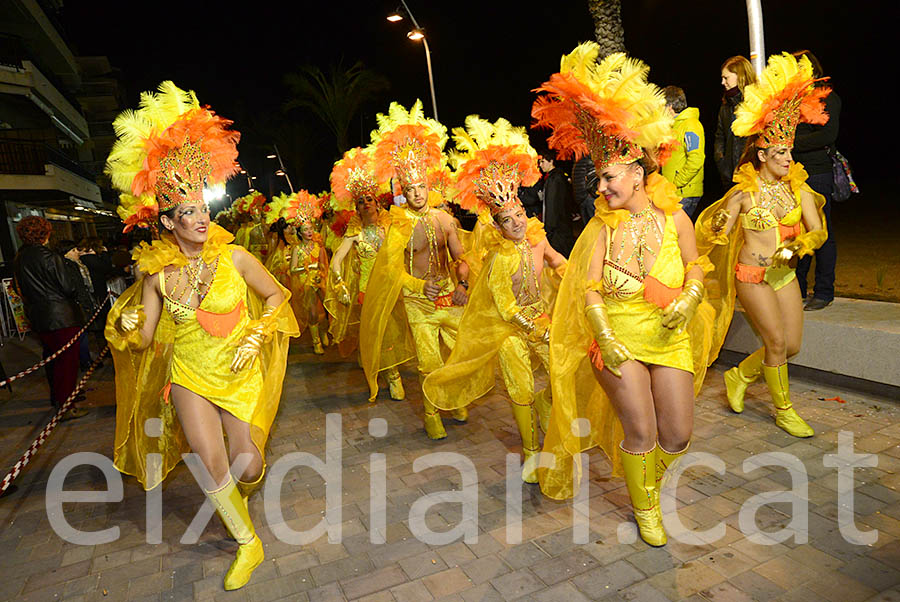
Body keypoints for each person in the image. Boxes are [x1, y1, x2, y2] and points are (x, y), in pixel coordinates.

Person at [104, 81, 298, 591]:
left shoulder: (237, 258)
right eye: (187, 211)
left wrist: (257, 333)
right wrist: (127, 329)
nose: (200, 215)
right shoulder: (156, 277)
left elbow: (279, 298)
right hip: (189, 374)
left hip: (238, 369)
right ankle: (247, 543)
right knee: (210, 462)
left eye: (202, 205)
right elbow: (146, 339)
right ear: (167, 221)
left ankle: (245, 488)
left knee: (246, 461)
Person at [532, 44, 716, 546]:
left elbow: (697, 265)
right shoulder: (601, 225)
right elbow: (588, 287)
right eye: (599, 177)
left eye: (609, 176)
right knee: (643, 432)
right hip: (616, 340)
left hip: (669, 336)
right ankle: (647, 507)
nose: (601, 186)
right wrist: (605, 337)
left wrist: (690, 297)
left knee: (677, 435)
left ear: (638, 172)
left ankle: (648, 482)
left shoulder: (677, 217)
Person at [422, 116, 566, 482]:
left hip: (542, 320)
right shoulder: (499, 259)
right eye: (507, 219)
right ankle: (531, 450)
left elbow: (557, 261)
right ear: (497, 226)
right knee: (520, 387)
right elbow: (507, 307)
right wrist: (536, 329)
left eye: (519, 214)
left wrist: (573, 276)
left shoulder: (537, 238)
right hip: (510, 330)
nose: (517, 222)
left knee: (558, 375)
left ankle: (548, 413)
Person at [696, 53, 829, 438]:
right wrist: (721, 224)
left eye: (789, 152)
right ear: (763, 155)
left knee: (791, 346)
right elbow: (715, 231)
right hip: (752, 275)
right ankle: (783, 409)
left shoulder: (800, 189)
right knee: (774, 339)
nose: (789, 159)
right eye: (781, 153)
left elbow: (818, 231)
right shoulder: (742, 194)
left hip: (783, 274)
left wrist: (799, 245)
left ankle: (740, 375)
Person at [360, 100, 470, 438]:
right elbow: (391, 271)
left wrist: (463, 283)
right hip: (418, 300)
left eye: (422, 187)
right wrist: (420, 287)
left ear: (428, 186)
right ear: (402, 193)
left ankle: (452, 398)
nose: (418, 194)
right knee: (428, 361)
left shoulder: (445, 219)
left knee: (459, 355)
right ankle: (432, 413)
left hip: (450, 296)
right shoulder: (398, 226)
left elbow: (460, 257)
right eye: (411, 189)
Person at [326, 147, 400, 384]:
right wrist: (340, 285)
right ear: (356, 208)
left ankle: (389, 367)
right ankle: (392, 375)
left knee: (394, 330)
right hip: (368, 291)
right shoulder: (354, 233)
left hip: (394, 286)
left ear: (377, 203)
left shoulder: (391, 226)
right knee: (381, 331)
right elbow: (337, 259)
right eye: (361, 201)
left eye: (369, 199)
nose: (366, 203)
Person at [13, 217, 89, 420]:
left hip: (38, 316)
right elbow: (68, 287)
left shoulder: (20, 257)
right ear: (45, 234)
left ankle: (59, 396)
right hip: (61, 316)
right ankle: (66, 405)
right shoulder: (49, 256)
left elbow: (17, 286)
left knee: (52, 359)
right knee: (67, 362)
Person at [791, 50, 841, 311]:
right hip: (793, 173)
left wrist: (793, 144)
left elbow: (827, 136)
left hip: (817, 173)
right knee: (796, 230)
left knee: (822, 230)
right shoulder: (792, 98)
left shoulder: (828, 97)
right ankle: (797, 288)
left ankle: (823, 291)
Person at [286, 190, 330, 354]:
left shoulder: (319, 246)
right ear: (300, 232)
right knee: (312, 311)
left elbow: (324, 265)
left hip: (320, 280)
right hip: (306, 282)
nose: (309, 232)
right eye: (306, 229)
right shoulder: (297, 249)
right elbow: (292, 269)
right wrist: (307, 268)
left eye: (311, 228)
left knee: (326, 308)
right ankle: (316, 341)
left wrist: (320, 272)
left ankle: (324, 330)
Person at [661, 86, 705, 217]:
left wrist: (676, 183)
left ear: (669, 107)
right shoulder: (674, 126)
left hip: (685, 194)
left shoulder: (690, 125)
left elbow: (696, 159)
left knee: (677, 232)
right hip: (674, 192)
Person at [714, 56, 757, 189]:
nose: (722, 82)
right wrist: (721, 162)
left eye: (726, 78)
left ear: (740, 75)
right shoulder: (725, 106)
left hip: (753, 176)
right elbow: (719, 138)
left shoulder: (756, 103)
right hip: (730, 177)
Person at [537, 150, 576, 257]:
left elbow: (552, 204)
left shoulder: (554, 179)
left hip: (557, 228)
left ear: (551, 162)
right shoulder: (555, 177)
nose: (540, 165)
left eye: (542, 162)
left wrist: (549, 227)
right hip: (560, 225)